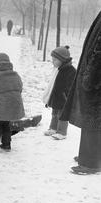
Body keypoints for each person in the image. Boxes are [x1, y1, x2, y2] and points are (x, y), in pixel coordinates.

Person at [61, 11, 101, 174]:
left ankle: (90, 162)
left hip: (96, 80)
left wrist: (90, 78)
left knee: (93, 121)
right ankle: (92, 157)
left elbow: (99, 52)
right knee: (94, 121)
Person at [42, 46, 76, 140]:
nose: (52, 62)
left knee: (62, 116)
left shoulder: (70, 71)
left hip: (64, 98)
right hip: (56, 97)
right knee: (54, 114)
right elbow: (52, 84)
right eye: (52, 60)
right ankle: (53, 128)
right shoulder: (58, 69)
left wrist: (66, 96)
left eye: (55, 60)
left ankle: (62, 132)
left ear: (62, 60)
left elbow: (71, 86)